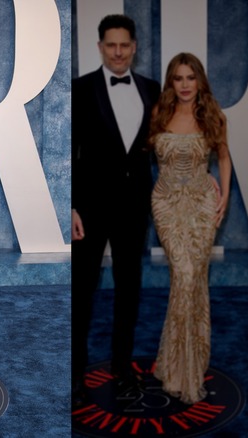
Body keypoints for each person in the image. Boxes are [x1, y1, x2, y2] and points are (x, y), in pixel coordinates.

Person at [70, 14, 161, 407]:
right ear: (100, 47)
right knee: (83, 293)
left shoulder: (152, 89)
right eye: (111, 45)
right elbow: (69, 155)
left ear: (135, 46)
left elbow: (165, 144)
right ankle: (75, 375)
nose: (119, 52)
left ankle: (122, 371)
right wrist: (71, 205)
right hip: (89, 210)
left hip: (134, 208)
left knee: (129, 291)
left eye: (125, 45)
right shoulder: (80, 89)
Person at [149, 52, 231, 405]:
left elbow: (224, 158)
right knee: (183, 274)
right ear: (172, 82)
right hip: (166, 203)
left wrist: (223, 195)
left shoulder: (213, 115)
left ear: (200, 81)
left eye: (190, 78)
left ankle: (183, 364)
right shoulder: (159, 113)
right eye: (178, 78)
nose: (184, 85)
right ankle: (176, 361)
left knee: (192, 278)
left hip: (201, 204)